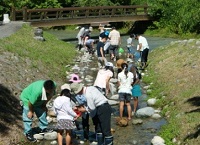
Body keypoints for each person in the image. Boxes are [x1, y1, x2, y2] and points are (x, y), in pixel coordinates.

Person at [68, 74, 90, 141]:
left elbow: (83, 102)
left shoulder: (80, 91)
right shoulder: (72, 92)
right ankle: (83, 135)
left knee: (84, 122)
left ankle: (85, 136)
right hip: (79, 108)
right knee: (83, 122)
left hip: (83, 108)